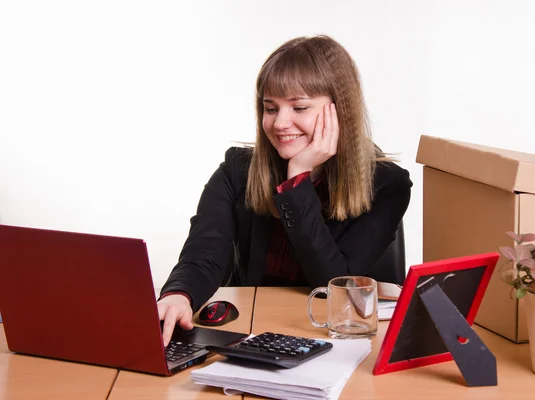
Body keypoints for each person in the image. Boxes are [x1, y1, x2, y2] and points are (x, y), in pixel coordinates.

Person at [157, 35, 412, 345]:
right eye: (270, 108)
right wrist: (179, 294)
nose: (280, 123)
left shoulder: (387, 185)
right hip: (253, 332)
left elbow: (332, 284)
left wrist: (298, 180)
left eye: (299, 107)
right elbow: (204, 254)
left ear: (340, 111)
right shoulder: (238, 171)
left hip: (338, 337)